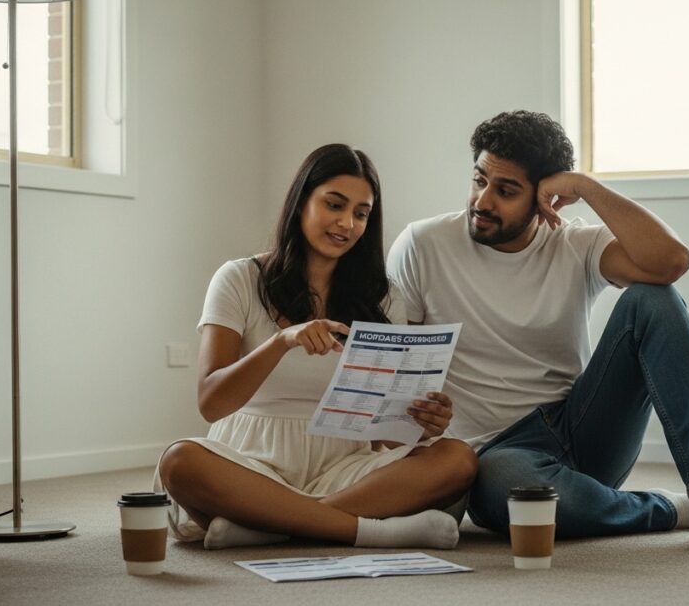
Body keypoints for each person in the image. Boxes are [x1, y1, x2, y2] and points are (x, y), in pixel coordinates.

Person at [386, 111, 689, 553]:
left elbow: (671, 262)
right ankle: (673, 509)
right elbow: (394, 367)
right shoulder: (422, 245)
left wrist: (584, 186)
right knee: (517, 489)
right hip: (491, 455)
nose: (483, 201)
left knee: (653, 298)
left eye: (506, 191)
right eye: (479, 180)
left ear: (543, 196)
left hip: (581, 429)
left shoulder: (572, 243)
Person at [155, 143, 477, 550]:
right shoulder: (238, 279)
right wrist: (280, 342)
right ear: (302, 200)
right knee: (180, 461)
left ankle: (271, 524)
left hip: (346, 465)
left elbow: (387, 442)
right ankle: (367, 531)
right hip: (250, 462)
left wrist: (421, 420)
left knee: (457, 458)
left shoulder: (385, 299)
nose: (346, 223)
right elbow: (211, 402)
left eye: (361, 214)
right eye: (334, 204)